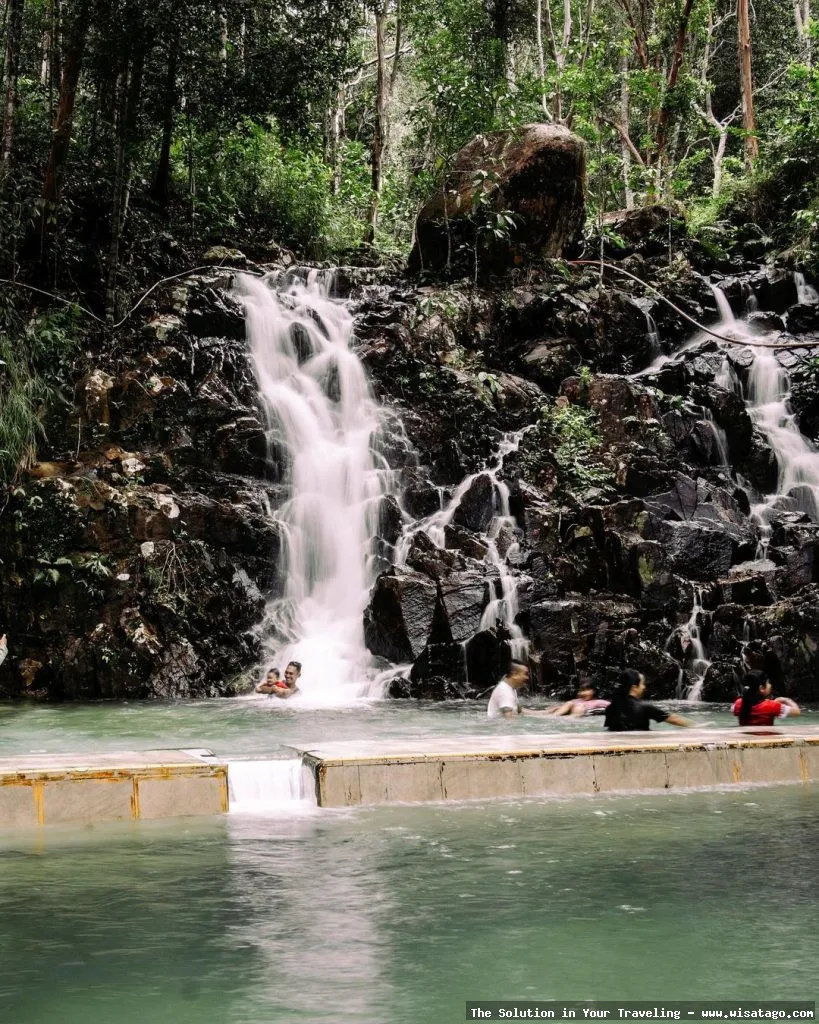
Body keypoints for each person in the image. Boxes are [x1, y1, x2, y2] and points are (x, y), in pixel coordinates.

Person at [604, 668, 694, 731]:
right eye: (642, 684)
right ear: (634, 687)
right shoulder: (645, 708)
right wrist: (696, 726)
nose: (644, 687)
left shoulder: (610, 708)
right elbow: (675, 720)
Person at [732, 670, 800, 726]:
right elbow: (797, 711)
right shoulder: (772, 706)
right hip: (764, 739)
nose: (770, 685)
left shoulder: (738, 704)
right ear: (761, 688)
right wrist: (785, 700)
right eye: (768, 683)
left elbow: (736, 709)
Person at [544, 681, 610, 717]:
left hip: (581, 712)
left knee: (578, 707)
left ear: (594, 691)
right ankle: (553, 717)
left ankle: (569, 719)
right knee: (568, 703)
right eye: (582, 690)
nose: (583, 693)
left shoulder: (598, 701)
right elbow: (565, 706)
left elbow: (611, 705)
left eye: (587, 690)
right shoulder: (576, 701)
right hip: (570, 710)